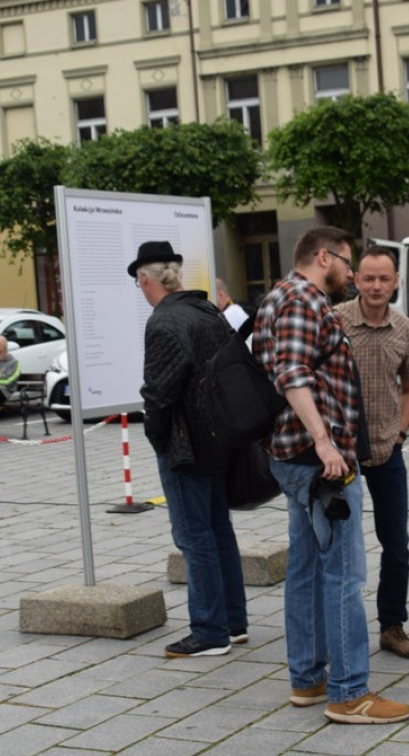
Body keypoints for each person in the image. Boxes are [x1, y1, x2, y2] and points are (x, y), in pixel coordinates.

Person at [252, 226, 409, 725]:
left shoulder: (278, 297)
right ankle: (348, 692)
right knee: (344, 573)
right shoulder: (303, 298)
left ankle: (308, 679)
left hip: (297, 458)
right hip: (318, 461)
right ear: (324, 257)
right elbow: (293, 373)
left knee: (305, 568)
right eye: (347, 263)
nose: (351, 273)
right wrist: (324, 440)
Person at [130, 240, 249, 658]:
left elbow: (159, 393)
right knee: (218, 531)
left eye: (138, 282)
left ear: (146, 279)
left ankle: (210, 631)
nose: (140, 289)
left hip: (185, 445)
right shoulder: (206, 311)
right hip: (218, 439)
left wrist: (157, 438)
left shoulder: (163, 322)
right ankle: (233, 622)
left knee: (193, 536)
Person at [335, 245, 409, 660]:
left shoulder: (405, 328)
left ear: (395, 282)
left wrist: (401, 434)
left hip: (389, 447)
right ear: (356, 279)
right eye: (368, 278)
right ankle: (337, 627)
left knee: (397, 543)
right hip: (342, 451)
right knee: (339, 544)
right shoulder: (336, 320)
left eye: (383, 279)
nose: (375, 286)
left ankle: (392, 625)